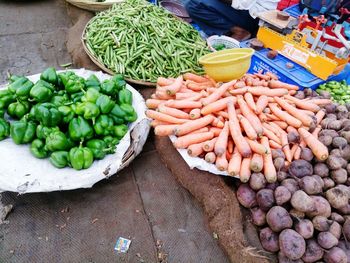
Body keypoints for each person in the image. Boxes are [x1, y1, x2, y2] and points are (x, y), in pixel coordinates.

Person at [185, 0, 280, 40]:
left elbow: (239, 3)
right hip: (248, 10)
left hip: (256, 17)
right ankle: (225, 31)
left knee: (193, 4)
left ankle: (240, 32)